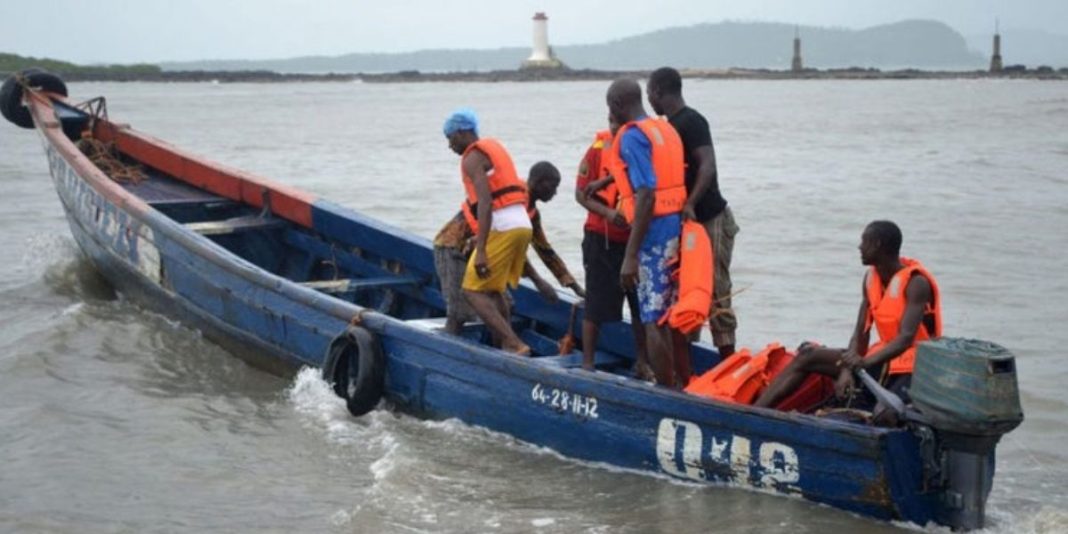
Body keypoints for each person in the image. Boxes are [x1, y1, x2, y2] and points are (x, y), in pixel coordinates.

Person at [754, 221, 942, 409]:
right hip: (879, 359)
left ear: (877, 245)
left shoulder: (916, 283)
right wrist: (848, 366)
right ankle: (754, 413)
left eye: (864, 241)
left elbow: (905, 339)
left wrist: (860, 364)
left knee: (887, 413)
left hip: (912, 366)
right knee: (807, 355)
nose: (860, 247)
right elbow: (860, 334)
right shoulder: (870, 278)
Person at [647, 67, 740, 358]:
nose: (649, 98)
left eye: (650, 92)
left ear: (659, 92)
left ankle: (728, 361)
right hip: (685, 225)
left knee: (716, 290)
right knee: (688, 293)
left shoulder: (692, 121)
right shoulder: (666, 128)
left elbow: (707, 165)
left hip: (709, 217)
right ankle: (687, 366)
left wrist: (691, 203)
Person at [603, 79, 688, 387]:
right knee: (668, 316)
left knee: (652, 317)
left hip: (653, 237)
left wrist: (630, 256)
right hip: (676, 230)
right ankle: (680, 382)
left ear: (615, 105)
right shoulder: (665, 129)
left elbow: (647, 194)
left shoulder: (632, 138)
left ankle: (666, 392)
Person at [432, 161, 582, 334]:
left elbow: (545, 250)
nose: (555, 193)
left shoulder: (532, 213)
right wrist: (538, 281)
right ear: (539, 181)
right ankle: (448, 347)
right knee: (459, 313)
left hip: (482, 255)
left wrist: (572, 285)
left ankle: (503, 347)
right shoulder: (513, 198)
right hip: (454, 247)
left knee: (505, 305)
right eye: (553, 186)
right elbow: (510, 247)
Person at [443, 108, 532, 355]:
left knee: (472, 291)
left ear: (462, 132)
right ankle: (502, 342)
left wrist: (480, 249)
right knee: (493, 288)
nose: (450, 146)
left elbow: (485, 201)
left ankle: (513, 343)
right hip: (522, 226)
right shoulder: (492, 148)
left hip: (503, 227)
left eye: (450, 138)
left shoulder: (472, 158)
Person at [574, 125, 649, 375]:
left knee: (641, 305)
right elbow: (581, 194)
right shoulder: (597, 150)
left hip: (637, 240)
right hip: (601, 238)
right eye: (613, 120)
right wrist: (607, 213)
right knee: (596, 303)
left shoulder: (639, 147)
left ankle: (643, 362)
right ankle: (587, 364)